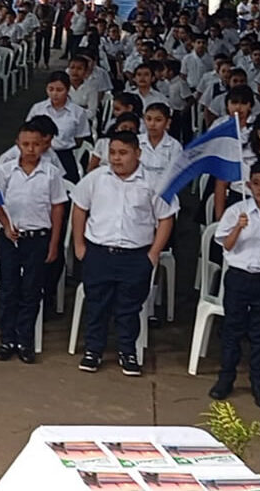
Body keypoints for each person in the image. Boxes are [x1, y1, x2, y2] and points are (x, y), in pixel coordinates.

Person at [72, 131, 177, 377]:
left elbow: (165, 218)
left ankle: (127, 351)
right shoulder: (96, 178)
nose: (117, 159)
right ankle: (93, 350)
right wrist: (79, 246)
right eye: (113, 153)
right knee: (97, 303)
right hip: (99, 252)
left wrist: (152, 255)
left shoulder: (154, 182)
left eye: (123, 153)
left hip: (135, 256)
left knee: (129, 307)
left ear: (137, 153)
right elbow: (79, 208)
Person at [210, 162, 260, 409]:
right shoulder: (237, 211)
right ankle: (226, 379)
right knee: (232, 330)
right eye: (256, 183)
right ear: (248, 185)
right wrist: (237, 228)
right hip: (238, 277)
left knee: (259, 333)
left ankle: (259, 383)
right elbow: (227, 245)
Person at [0, 121, 68, 364]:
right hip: (11, 238)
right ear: (18, 145)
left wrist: (54, 243)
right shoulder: (5, 170)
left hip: (38, 238)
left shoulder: (51, 173)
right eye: (26, 144)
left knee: (31, 290)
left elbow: (58, 209)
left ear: (43, 145)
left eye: (36, 144)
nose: (31, 149)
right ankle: (7, 339)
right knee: (8, 288)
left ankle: (25, 340)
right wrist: (5, 224)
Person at [28, 72, 90, 182]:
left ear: (68, 89)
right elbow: (28, 132)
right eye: (50, 89)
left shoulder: (78, 112)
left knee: (67, 187)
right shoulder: (38, 109)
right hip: (39, 155)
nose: (54, 94)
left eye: (59, 90)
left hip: (64, 156)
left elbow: (79, 138)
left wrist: (62, 144)